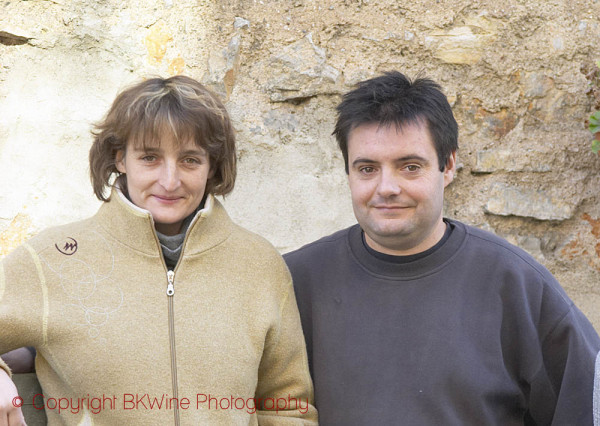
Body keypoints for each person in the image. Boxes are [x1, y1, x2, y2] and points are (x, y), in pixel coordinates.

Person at [284, 71, 600, 425]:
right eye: (368, 168)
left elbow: (584, 408)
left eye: (409, 167)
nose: (386, 187)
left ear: (447, 165)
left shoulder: (518, 286)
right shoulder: (294, 284)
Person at [0, 76, 317, 425]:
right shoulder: (53, 259)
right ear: (120, 158)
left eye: (190, 160)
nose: (169, 180)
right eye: (150, 157)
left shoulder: (260, 264)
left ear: (211, 165)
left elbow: (287, 407)